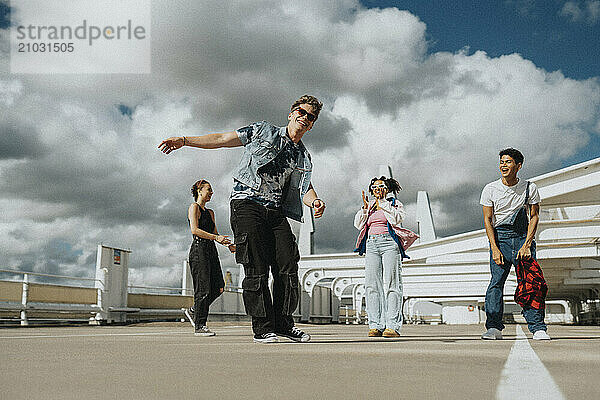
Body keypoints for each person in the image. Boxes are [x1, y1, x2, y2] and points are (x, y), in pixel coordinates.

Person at [159, 95, 326, 343]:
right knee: (256, 266)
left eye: (310, 116)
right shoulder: (262, 130)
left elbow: (303, 186)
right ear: (291, 114)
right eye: (301, 112)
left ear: (312, 124)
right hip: (247, 203)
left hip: (276, 211)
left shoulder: (303, 157)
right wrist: (184, 140)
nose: (304, 118)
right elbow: (222, 139)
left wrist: (314, 201)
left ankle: (283, 324)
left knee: (287, 265)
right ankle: (262, 327)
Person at [480, 148, 550, 340]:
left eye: (508, 162)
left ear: (518, 166)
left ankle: (537, 328)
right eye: (502, 161)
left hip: (522, 238)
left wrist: (527, 244)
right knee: (495, 284)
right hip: (500, 238)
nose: (503, 165)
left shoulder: (530, 188)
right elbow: (487, 220)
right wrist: (494, 247)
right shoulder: (490, 189)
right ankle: (493, 328)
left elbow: (534, 216)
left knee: (530, 283)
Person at [354, 176, 418, 338]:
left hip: (389, 244)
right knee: (371, 285)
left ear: (387, 188)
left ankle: (393, 325)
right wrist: (364, 209)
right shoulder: (369, 207)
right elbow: (359, 225)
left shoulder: (394, 204)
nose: (377, 189)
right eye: (374, 186)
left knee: (392, 284)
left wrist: (383, 202)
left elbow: (397, 219)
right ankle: (375, 324)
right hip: (371, 244)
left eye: (381, 186)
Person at [185, 179, 235, 336]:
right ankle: (200, 326)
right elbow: (195, 230)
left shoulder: (211, 212)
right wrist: (215, 238)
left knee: (219, 287)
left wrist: (228, 244)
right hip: (199, 250)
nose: (211, 193)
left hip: (211, 250)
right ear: (199, 190)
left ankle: (194, 310)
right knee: (203, 288)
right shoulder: (194, 208)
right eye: (209, 190)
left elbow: (216, 234)